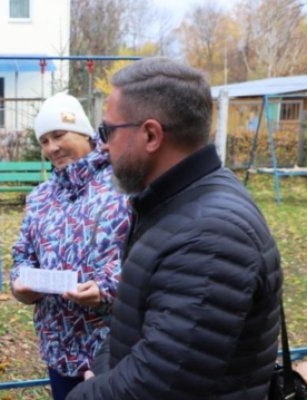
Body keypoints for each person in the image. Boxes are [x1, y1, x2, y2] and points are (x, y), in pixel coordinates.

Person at [67, 57, 283, 399]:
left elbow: (162, 383)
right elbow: (139, 324)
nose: (102, 145)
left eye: (107, 131)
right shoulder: (177, 203)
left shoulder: (211, 235)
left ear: (151, 134)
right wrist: (104, 370)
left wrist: (83, 395)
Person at [9, 93, 131, 400]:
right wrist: (19, 285)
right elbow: (23, 254)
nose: (52, 148)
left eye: (59, 135)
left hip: (114, 345)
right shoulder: (40, 197)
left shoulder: (125, 186)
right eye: (44, 140)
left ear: (86, 134)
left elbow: (148, 253)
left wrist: (107, 289)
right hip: (59, 345)